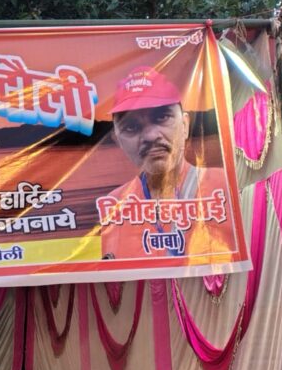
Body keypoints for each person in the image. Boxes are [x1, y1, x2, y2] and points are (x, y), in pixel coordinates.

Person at [99, 65, 232, 259]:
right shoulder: (114, 205)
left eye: (162, 117)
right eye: (131, 127)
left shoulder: (224, 187)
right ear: (118, 140)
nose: (150, 136)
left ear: (185, 125)